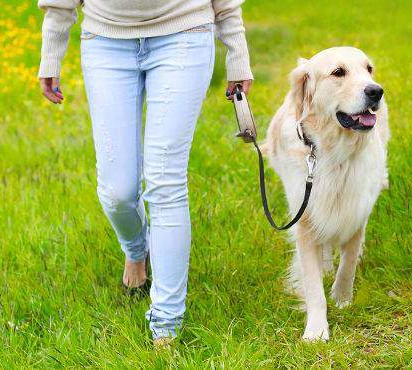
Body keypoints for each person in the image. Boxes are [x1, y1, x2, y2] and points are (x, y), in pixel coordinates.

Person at [37, 0, 253, 344]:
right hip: (105, 42)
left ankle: (166, 325)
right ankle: (137, 250)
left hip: (184, 32)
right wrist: (51, 53)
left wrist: (237, 52)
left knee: (166, 182)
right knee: (116, 190)